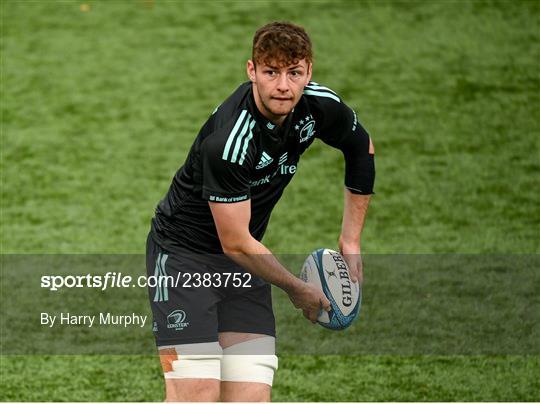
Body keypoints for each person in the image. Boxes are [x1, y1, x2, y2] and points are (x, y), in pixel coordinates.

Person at [146, 21, 375, 402]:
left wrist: (350, 239)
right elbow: (234, 242)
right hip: (184, 260)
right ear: (251, 70)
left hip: (245, 262)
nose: (283, 86)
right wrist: (297, 288)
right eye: (271, 72)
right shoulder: (231, 142)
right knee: (196, 394)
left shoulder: (317, 106)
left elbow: (360, 148)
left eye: (294, 73)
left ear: (308, 72)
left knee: (251, 397)